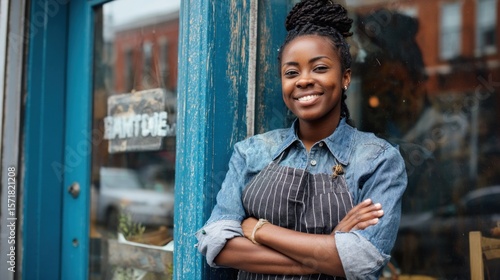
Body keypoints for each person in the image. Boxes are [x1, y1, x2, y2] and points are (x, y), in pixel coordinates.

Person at [195, 0, 407, 279]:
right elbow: (215, 244)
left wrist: (259, 229)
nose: (303, 80)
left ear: (345, 78)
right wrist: (329, 253)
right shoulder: (253, 151)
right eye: (291, 72)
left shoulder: (377, 160)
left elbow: (362, 257)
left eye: (319, 68)